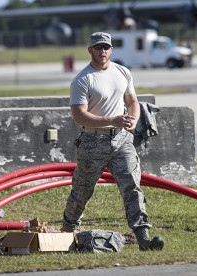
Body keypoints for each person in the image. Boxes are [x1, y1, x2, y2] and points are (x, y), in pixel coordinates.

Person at [61, 32, 164, 251]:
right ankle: (66, 232)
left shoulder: (122, 72)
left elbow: (132, 101)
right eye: (98, 47)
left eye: (106, 47)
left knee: (132, 185)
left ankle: (143, 237)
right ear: (90, 50)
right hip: (92, 142)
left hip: (121, 141)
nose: (102, 51)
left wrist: (133, 120)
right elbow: (79, 116)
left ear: (111, 50)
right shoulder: (82, 79)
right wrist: (113, 119)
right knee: (82, 190)